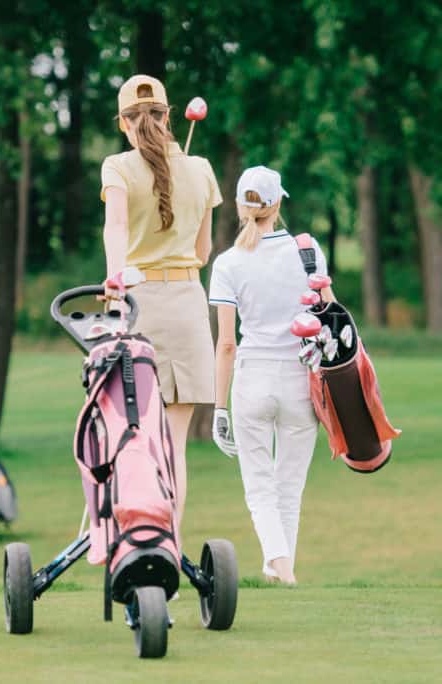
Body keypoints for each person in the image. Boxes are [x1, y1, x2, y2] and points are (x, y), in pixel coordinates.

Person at [100, 74, 222, 522]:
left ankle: (120, 544)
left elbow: (115, 227)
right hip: (188, 304)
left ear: (124, 123)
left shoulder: (116, 166)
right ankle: (168, 548)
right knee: (173, 447)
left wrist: (115, 282)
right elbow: (204, 253)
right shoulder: (202, 168)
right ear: (168, 116)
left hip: (136, 304)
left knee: (125, 438)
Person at [208, 165, 334, 584]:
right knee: (288, 489)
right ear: (277, 203)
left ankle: (281, 571)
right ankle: (282, 569)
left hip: (252, 379)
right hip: (300, 378)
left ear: (242, 207)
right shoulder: (308, 249)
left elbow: (226, 344)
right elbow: (329, 310)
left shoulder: (227, 263)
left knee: (261, 488)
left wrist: (217, 409)